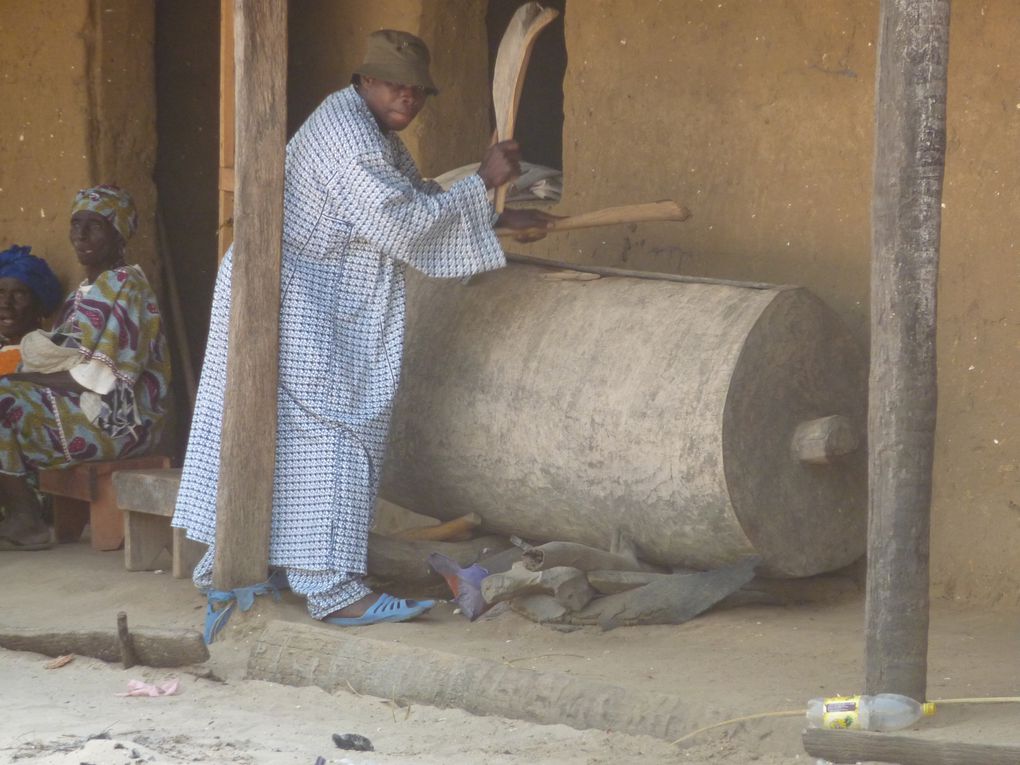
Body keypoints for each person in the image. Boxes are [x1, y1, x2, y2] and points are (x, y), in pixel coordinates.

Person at [173, 29, 554, 628]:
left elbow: (413, 197)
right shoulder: (348, 132)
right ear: (365, 82)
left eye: (417, 91)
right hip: (289, 298)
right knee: (332, 437)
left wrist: (497, 215)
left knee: (288, 439)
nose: (407, 99)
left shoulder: (370, 130)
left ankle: (259, 561)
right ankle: (332, 589)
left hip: (305, 296)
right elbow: (399, 221)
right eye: (395, 86)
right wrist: (481, 181)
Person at [0, 186, 171, 551]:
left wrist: (16, 378)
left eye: (95, 226)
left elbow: (99, 378)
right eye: (76, 224)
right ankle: (22, 516)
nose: (80, 235)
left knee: (4, 399)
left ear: (118, 232)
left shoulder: (126, 286)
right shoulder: (87, 291)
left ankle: (26, 521)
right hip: (86, 410)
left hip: (122, 420)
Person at [0, 245, 63, 375]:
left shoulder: (47, 357)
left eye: (19, 294)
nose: (6, 303)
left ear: (40, 305)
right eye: (0, 293)